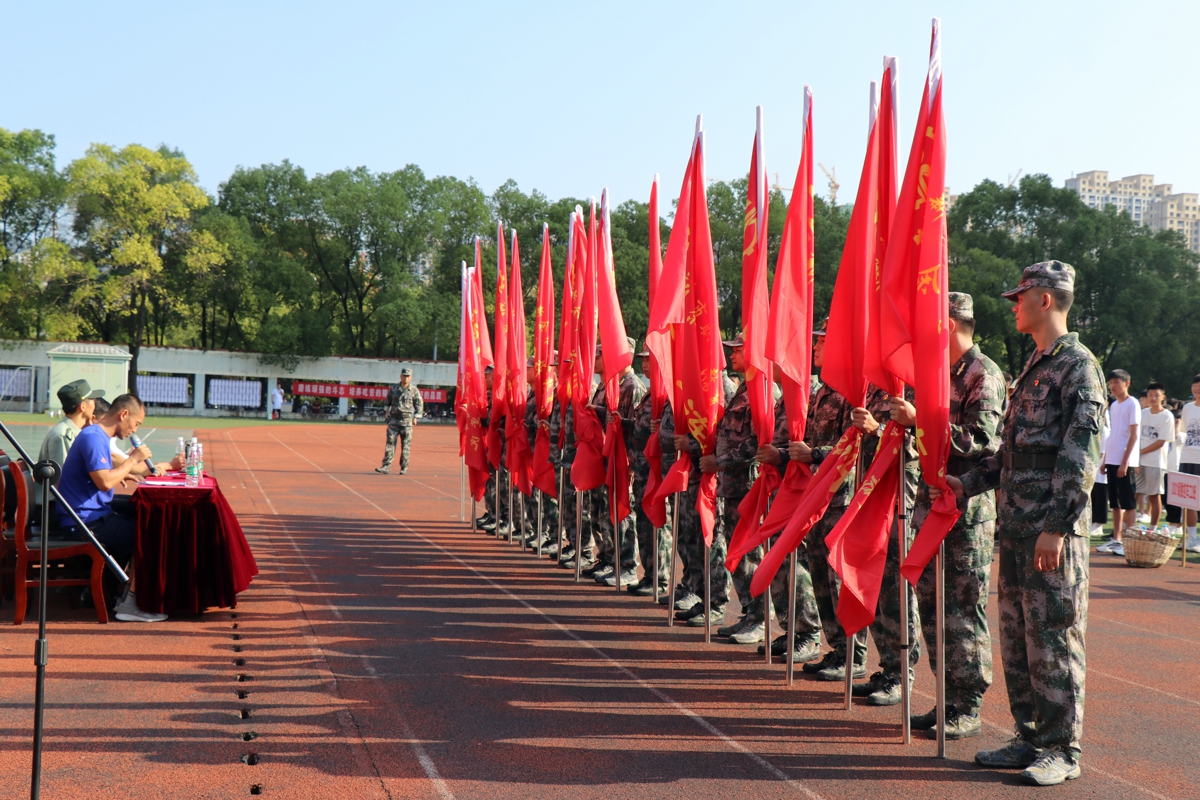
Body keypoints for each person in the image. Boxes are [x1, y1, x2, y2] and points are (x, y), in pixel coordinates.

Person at [941, 260, 1103, 786]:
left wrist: (1057, 525)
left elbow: (1080, 456)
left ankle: (1062, 748)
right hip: (1014, 526)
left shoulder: (1078, 366)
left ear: (1047, 300)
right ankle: (1030, 735)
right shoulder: (1035, 364)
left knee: (1054, 637)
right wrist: (965, 484)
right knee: (1017, 639)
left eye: (1021, 296)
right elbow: (1013, 454)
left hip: (1047, 531)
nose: (1014, 304)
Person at [894, 293, 1004, 739]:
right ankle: (948, 699)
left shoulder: (985, 374)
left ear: (953, 323)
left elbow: (982, 440)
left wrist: (921, 419)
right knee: (932, 605)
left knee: (962, 608)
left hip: (966, 512)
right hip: (931, 502)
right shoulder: (938, 376)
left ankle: (967, 704)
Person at [57, 393, 168, 623]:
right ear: (124, 414)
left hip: (90, 514)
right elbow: (105, 481)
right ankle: (131, 603)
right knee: (146, 534)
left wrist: (131, 468)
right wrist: (132, 460)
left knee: (141, 519)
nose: (134, 431)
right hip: (83, 521)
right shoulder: (93, 437)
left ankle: (110, 590)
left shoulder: (97, 436)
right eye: (136, 424)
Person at [706, 334, 768, 644]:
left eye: (738, 350)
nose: (731, 355)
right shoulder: (743, 389)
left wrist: (720, 461)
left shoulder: (760, 392)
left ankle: (759, 618)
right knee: (737, 552)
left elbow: (758, 444)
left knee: (749, 554)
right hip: (731, 486)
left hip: (749, 485)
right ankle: (748, 612)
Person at [35, 379, 105, 506]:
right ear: (82, 406)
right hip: (59, 508)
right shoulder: (62, 435)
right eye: (92, 399)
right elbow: (64, 481)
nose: (95, 403)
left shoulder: (74, 431)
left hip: (69, 503)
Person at [1097, 369, 1139, 556]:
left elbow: (1133, 435)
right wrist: (1106, 459)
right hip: (1112, 459)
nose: (1113, 386)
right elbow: (1114, 434)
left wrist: (1125, 462)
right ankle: (1117, 539)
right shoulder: (1113, 405)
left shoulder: (1133, 404)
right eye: (1111, 382)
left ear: (1127, 383)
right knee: (1115, 503)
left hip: (1125, 460)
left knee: (1128, 502)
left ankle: (1130, 541)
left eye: (1117, 382)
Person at [1135, 383, 1173, 528]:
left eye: (1156, 395)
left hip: (1156, 462)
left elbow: (1161, 442)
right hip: (1139, 461)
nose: (1152, 398)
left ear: (1163, 397)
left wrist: (1140, 453)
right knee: (1134, 494)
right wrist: (1136, 458)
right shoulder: (1143, 413)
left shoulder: (1167, 416)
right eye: (1150, 395)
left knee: (1153, 496)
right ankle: (1127, 528)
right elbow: (1136, 436)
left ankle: (1152, 529)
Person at [376, 368, 423, 475]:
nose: (406, 378)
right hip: (394, 420)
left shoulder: (414, 390)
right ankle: (386, 466)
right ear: (400, 376)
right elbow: (388, 400)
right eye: (404, 376)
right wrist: (387, 411)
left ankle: (404, 467)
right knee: (390, 444)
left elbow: (419, 404)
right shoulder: (393, 388)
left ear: (411, 377)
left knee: (406, 445)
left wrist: (416, 417)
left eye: (408, 376)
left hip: (407, 422)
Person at [1180, 375, 1200, 552]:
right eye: (1194, 386)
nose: (1197, 389)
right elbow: (1184, 432)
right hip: (1187, 457)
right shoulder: (1187, 408)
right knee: (1188, 500)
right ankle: (1192, 537)